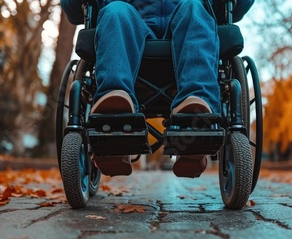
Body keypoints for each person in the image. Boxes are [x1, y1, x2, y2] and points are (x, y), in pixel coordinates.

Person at [61, 0, 254, 177]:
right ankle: (114, 120)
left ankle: (196, 123)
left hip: (187, 42)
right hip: (131, 45)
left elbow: (238, 8)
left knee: (195, 8)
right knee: (116, 11)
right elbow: (73, 11)